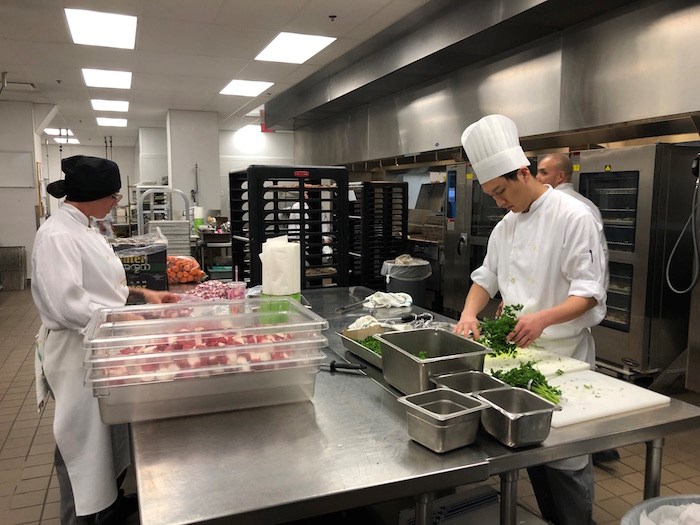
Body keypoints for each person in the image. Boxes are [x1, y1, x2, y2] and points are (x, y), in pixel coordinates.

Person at [454, 115, 607, 525]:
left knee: (565, 465)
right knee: (532, 456)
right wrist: (469, 313)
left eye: (501, 191)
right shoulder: (506, 227)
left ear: (524, 172)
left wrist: (541, 320)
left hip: (565, 362)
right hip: (517, 360)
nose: (498, 202)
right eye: (491, 195)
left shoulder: (573, 217)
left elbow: (588, 291)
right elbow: (485, 279)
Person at [31, 155, 179, 525]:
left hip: (100, 341)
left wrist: (142, 295)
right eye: (112, 197)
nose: (115, 204)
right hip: (75, 349)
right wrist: (124, 316)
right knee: (79, 436)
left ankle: (108, 505)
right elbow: (68, 304)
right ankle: (77, 516)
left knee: (108, 429)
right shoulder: (56, 236)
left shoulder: (85, 227)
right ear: (91, 196)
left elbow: (100, 284)